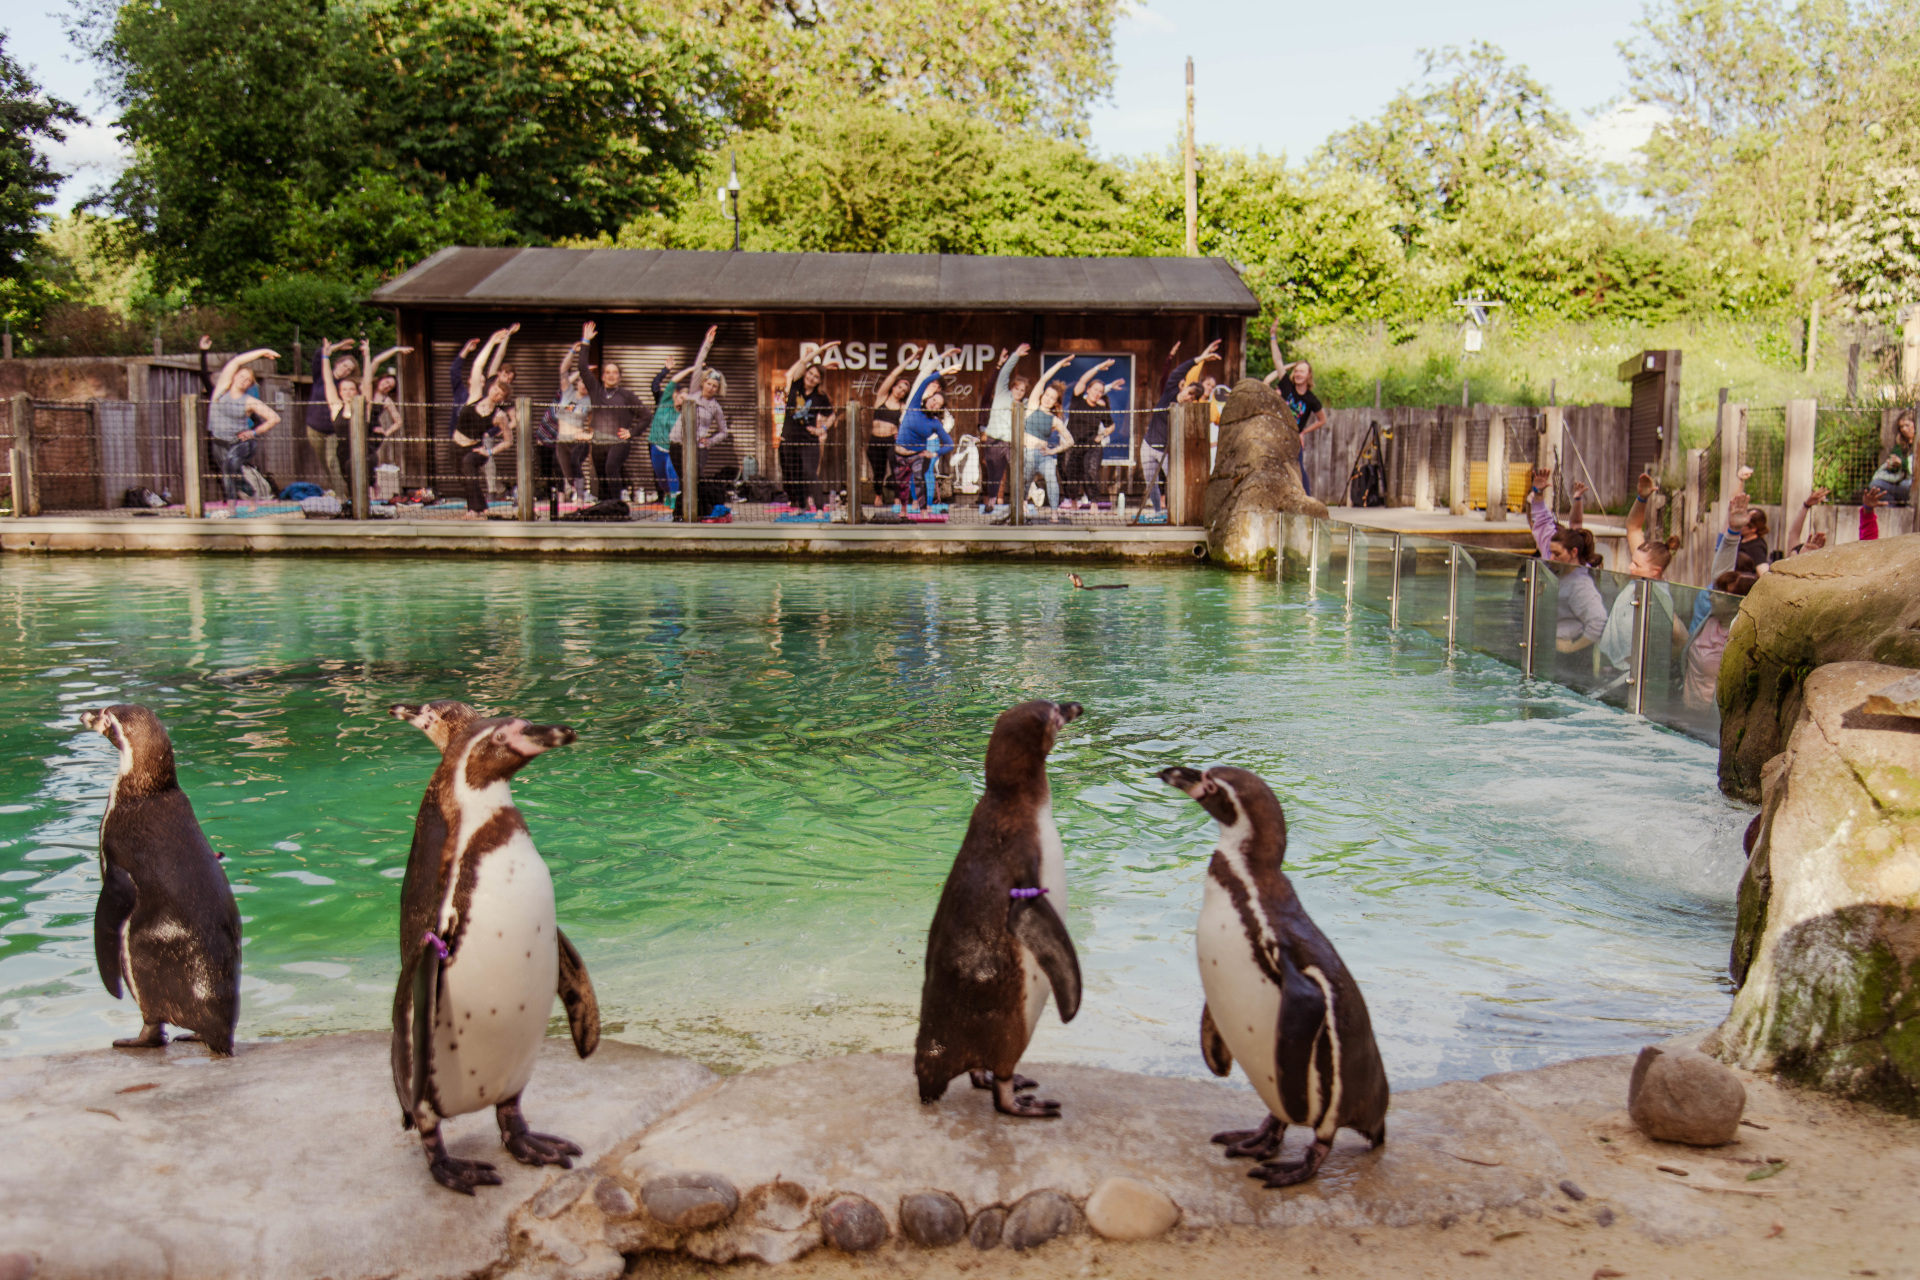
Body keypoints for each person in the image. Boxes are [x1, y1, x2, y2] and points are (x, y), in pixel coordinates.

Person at [1597, 472, 1688, 672]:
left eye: (1637, 565)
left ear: (1655, 572)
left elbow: (1682, 639)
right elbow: (1633, 527)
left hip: (1630, 674)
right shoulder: (1641, 577)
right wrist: (1642, 498)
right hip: (1612, 665)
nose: (1630, 567)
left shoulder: (1658, 596)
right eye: (1632, 562)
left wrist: (1653, 666)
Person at [1142, 339, 1219, 515]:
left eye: (1193, 398)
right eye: (1189, 393)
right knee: (1151, 484)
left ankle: (1174, 513)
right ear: (1184, 387)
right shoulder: (1169, 391)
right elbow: (1180, 370)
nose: (1189, 398)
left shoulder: (1188, 411)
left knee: (1175, 483)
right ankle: (1156, 512)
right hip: (1148, 445)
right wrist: (1202, 357)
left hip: (1168, 451)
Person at [648, 326, 715, 508]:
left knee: (672, 472)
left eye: (687, 399)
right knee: (661, 479)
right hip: (656, 445)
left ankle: (676, 502)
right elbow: (672, 381)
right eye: (681, 396)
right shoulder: (664, 402)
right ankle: (668, 494)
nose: (683, 400)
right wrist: (693, 368)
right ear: (675, 396)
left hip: (672, 447)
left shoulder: (684, 416)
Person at [205, 347, 281, 502]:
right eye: (241, 375)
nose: (243, 380)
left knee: (230, 468)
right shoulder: (220, 390)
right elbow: (236, 361)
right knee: (232, 475)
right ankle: (252, 496)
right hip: (218, 441)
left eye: (248, 379)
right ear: (234, 376)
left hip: (239, 442)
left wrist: (253, 433)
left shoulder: (249, 401)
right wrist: (261, 352)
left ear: (249, 385)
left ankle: (237, 506)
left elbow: (274, 418)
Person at [893, 349, 959, 511]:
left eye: (936, 385)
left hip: (929, 441)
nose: (933, 386)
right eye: (932, 382)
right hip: (907, 440)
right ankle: (914, 502)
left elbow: (948, 422)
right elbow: (926, 372)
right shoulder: (916, 397)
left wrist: (935, 432)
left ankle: (927, 505)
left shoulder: (937, 409)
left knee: (926, 473)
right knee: (907, 474)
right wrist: (943, 357)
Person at [1265, 324, 1326, 496]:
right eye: (1297, 371)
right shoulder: (1286, 387)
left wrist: (1304, 432)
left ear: (1308, 375)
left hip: (1294, 437)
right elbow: (1278, 361)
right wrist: (1272, 336)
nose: (1298, 374)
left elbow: (1323, 420)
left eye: (1302, 372)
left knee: (1298, 468)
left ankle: (1306, 500)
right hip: (1277, 433)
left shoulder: (1311, 399)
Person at [454, 349, 515, 518]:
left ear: (502, 399)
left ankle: (473, 509)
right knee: (463, 478)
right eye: (495, 388)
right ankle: (482, 507)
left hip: (476, 449)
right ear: (491, 387)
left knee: (468, 463)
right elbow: (477, 366)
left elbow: (508, 441)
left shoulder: (499, 415)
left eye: (500, 393)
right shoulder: (475, 396)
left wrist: (490, 451)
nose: (496, 392)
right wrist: (493, 343)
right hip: (456, 445)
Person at [1684, 569, 1756, 710]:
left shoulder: (1742, 637)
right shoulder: (1709, 621)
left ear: (1736, 603)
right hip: (1687, 710)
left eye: (1719, 595)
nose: (1710, 597)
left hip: (1710, 720)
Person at [780, 343, 839, 511]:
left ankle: (820, 509)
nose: (811, 378)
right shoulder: (796, 385)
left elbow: (832, 416)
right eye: (810, 373)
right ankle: (801, 507)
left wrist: (823, 429)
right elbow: (803, 362)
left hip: (808, 441)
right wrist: (822, 349)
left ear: (820, 381)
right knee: (795, 475)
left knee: (809, 473)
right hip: (790, 439)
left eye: (816, 377)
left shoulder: (820, 396)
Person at [1067, 359, 1123, 509]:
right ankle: (1073, 503)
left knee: (1091, 471)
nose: (1097, 393)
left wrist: (1103, 435)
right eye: (1095, 389)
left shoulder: (1101, 409)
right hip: (1074, 445)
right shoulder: (1077, 401)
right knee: (1072, 476)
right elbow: (1083, 380)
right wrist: (1098, 367)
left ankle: (1094, 504)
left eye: (1100, 391)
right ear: (1088, 390)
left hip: (1093, 445)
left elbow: (1111, 425)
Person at [979, 345, 1029, 512]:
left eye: (1022, 390)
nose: (1019, 392)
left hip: (1011, 443)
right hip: (993, 440)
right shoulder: (1002, 393)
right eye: (1017, 388)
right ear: (1011, 387)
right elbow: (1004, 373)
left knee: (1018, 472)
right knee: (995, 473)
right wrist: (1015, 355)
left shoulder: (1023, 404)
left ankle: (1022, 502)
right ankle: (991, 502)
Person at [1023, 357, 1075, 514]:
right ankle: (1022, 505)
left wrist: (1053, 451)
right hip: (1027, 454)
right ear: (1042, 395)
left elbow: (1070, 441)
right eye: (1047, 395)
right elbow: (1043, 380)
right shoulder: (1032, 406)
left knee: (1052, 478)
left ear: (1055, 403)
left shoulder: (1055, 420)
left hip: (1043, 455)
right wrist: (1058, 364)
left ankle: (1054, 512)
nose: (1048, 399)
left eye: (1052, 398)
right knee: (1024, 481)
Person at [870, 359, 918, 506]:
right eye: (899, 387)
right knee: (878, 472)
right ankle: (878, 494)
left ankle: (898, 499)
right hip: (875, 440)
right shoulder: (881, 398)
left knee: (897, 470)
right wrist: (910, 360)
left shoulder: (902, 406)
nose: (900, 391)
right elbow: (892, 375)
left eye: (904, 390)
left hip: (892, 441)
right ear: (893, 387)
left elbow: (907, 421)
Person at [553, 341, 595, 505]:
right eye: (582, 381)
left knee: (575, 463)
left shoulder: (590, 402)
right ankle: (570, 493)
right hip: (562, 439)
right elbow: (563, 370)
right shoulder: (568, 392)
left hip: (578, 439)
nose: (584, 385)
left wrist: (590, 436)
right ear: (578, 381)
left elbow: (594, 422)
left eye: (587, 382)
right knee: (566, 472)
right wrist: (572, 351)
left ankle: (581, 498)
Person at [1868, 410, 1913, 505]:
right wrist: (1892, 465)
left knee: (1906, 484)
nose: (1904, 429)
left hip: (1912, 486)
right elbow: (1893, 467)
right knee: (1875, 485)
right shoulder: (1899, 446)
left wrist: (1902, 463)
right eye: (1901, 426)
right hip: (1898, 485)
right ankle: (1892, 511)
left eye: (1907, 425)